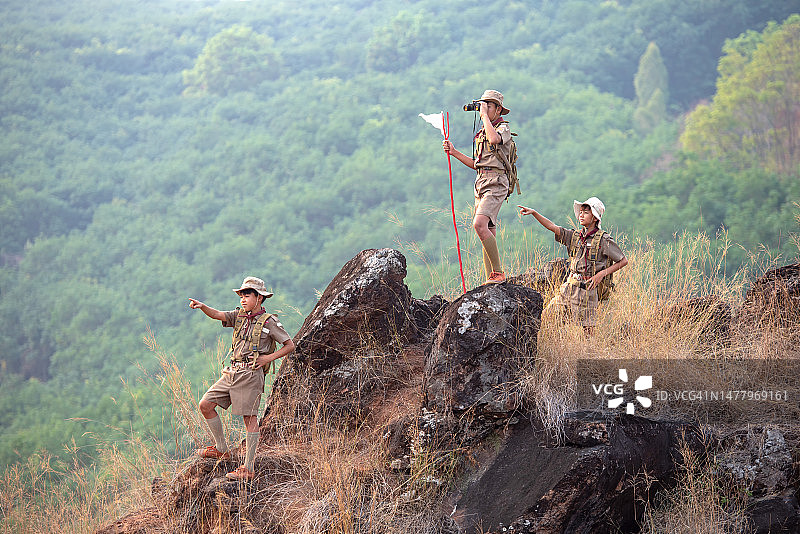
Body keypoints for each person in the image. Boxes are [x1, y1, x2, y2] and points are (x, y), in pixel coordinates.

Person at [188, 276, 295, 480]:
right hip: (232, 372)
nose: (243, 299)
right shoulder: (238, 316)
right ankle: (221, 448)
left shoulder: (269, 322)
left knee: (249, 419)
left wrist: (268, 359)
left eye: (247, 295)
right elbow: (218, 314)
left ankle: (248, 468)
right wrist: (203, 307)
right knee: (206, 404)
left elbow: (289, 345)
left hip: (251, 375)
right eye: (242, 295)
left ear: (260, 298)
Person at [519, 197, 628, 335]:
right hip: (569, 287)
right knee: (547, 317)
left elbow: (623, 261)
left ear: (595, 218)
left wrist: (601, 274)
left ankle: (589, 354)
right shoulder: (574, 236)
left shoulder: (604, 240)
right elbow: (552, 227)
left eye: (586, 212)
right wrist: (534, 213)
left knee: (588, 332)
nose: (581, 215)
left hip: (588, 290)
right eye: (581, 212)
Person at [443, 89, 513, 284]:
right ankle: (490, 278)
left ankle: (498, 273)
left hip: (496, 183)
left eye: (488, 106)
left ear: (498, 109)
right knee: (487, 230)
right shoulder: (483, 132)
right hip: (481, 182)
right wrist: (454, 152)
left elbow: (495, 140)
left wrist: (484, 117)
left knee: (479, 224)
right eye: (483, 106)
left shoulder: (502, 128)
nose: (484, 109)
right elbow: (477, 164)